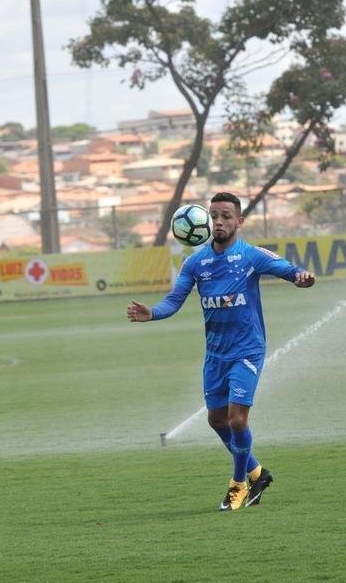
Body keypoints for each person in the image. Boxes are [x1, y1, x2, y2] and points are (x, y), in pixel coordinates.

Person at [127, 191, 315, 511]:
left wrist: (300, 277)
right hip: (215, 354)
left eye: (227, 216)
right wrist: (153, 313)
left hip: (247, 350)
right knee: (217, 420)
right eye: (214, 215)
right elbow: (174, 301)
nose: (219, 221)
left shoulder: (251, 255)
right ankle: (257, 472)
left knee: (237, 420)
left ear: (239, 222)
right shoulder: (196, 263)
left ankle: (239, 485)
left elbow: (287, 268)